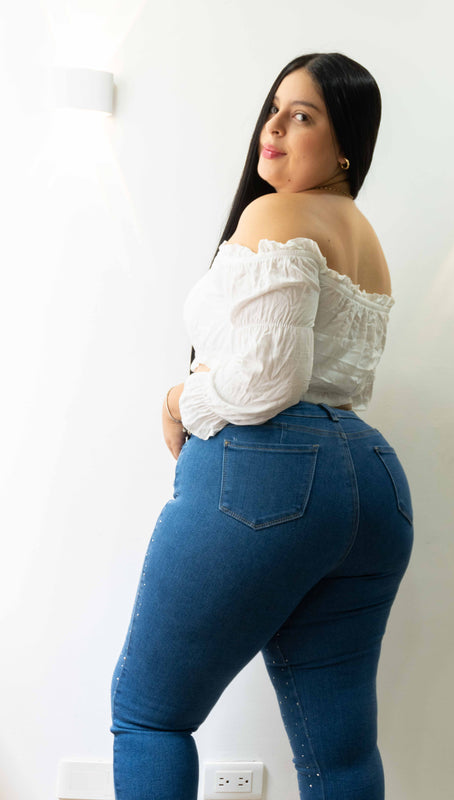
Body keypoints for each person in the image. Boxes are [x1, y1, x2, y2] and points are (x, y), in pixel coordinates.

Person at [110, 52, 414, 800]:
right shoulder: (364, 235)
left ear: (345, 146)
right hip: (373, 484)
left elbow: (270, 381)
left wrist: (180, 401)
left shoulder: (274, 214)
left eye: (302, 115)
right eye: (274, 108)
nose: (273, 127)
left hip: (269, 472)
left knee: (149, 717)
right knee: (339, 755)